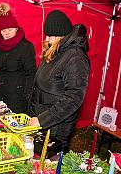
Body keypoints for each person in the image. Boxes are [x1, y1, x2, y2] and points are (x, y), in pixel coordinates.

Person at [28, 10, 90, 152]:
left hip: (56, 127)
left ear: (62, 35)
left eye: (51, 36)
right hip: (42, 120)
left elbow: (73, 98)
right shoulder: (56, 50)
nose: (47, 39)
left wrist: (43, 120)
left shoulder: (75, 58)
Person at [0, 3, 36, 113]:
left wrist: (27, 96)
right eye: (3, 30)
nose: (7, 33)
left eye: (10, 29)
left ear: (16, 29)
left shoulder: (26, 46)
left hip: (17, 96)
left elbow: (31, 73)